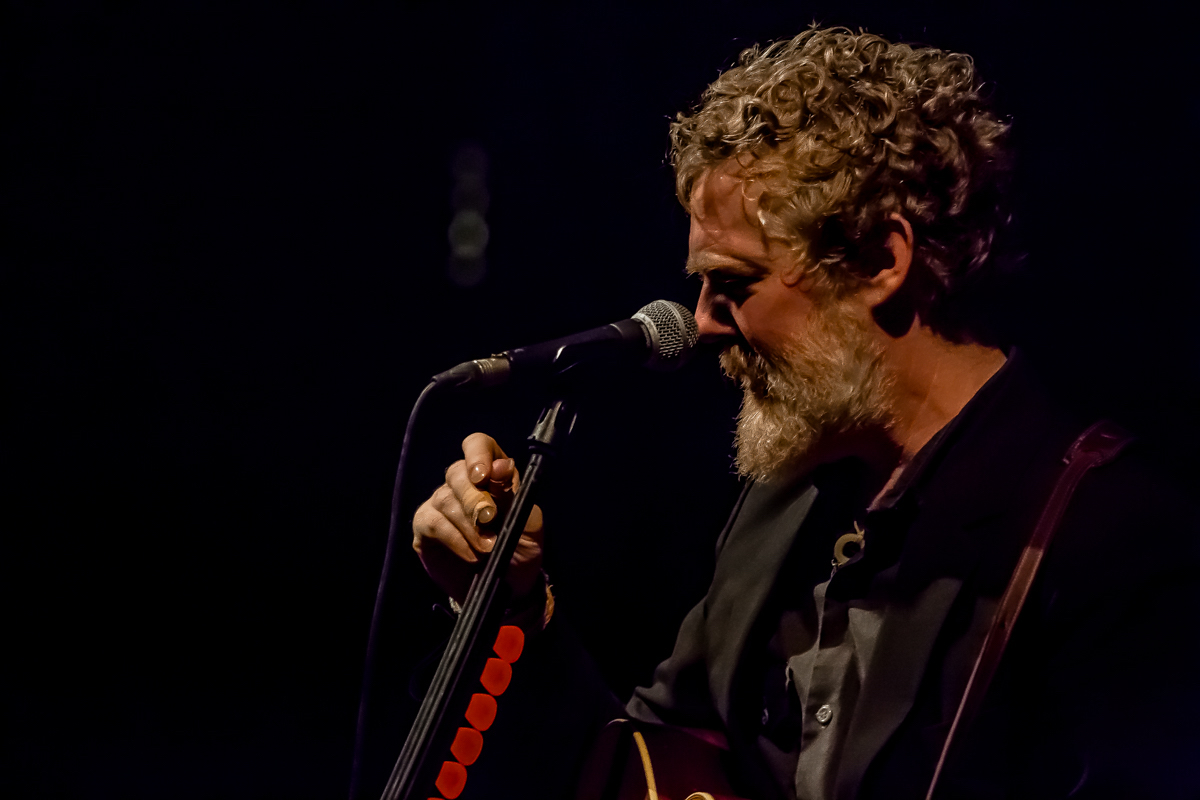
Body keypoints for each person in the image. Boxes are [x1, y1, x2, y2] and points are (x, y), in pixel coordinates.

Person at [411, 26, 1200, 800]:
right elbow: (651, 771)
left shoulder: (1109, 539)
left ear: (882, 261)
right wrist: (513, 605)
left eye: (735, 283)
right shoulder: (784, 500)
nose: (703, 322)